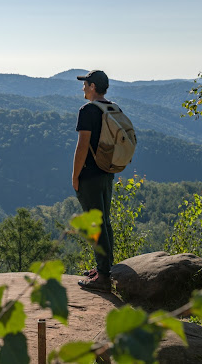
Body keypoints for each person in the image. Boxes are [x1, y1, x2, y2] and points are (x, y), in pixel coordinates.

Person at [72, 70, 115, 292]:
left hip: (89, 174)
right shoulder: (112, 108)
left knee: (95, 224)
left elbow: (82, 146)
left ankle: (103, 277)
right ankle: (105, 268)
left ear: (93, 87)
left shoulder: (88, 110)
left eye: (85, 84)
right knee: (104, 221)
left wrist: (75, 175)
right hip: (107, 173)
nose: (83, 88)